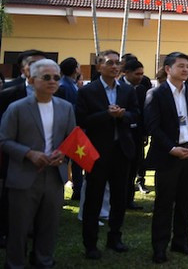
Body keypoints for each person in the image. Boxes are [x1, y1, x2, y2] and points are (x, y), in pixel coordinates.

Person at [0, 59, 75, 269]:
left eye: (56, 77)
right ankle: (15, 263)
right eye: (46, 77)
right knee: (19, 227)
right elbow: (3, 140)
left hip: (54, 176)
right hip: (24, 176)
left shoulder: (66, 107)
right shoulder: (16, 108)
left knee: (49, 225)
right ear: (31, 80)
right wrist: (28, 154)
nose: (52, 81)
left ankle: (44, 260)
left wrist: (63, 154)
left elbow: (72, 139)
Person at [76, 50, 139, 259]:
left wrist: (123, 115)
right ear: (99, 66)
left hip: (121, 151)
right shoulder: (88, 91)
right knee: (94, 199)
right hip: (97, 152)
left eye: (117, 63)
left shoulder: (127, 91)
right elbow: (82, 120)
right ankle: (90, 243)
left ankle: (115, 237)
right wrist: (106, 115)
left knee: (119, 199)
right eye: (110, 63)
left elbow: (136, 115)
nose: (115, 66)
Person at [145, 52, 188, 264]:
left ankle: (181, 241)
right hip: (168, 155)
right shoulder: (156, 94)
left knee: (185, 202)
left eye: (187, 66)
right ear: (168, 69)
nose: (186, 70)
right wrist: (171, 148)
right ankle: (159, 246)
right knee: (164, 203)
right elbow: (153, 126)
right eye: (181, 66)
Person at [119, 59, 147, 210]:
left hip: (137, 134)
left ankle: (129, 199)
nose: (140, 77)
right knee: (122, 169)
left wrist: (144, 133)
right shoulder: (118, 88)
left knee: (134, 166)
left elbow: (143, 112)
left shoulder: (141, 89)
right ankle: (119, 200)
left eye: (142, 74)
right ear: (127, 73)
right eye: (137, 74)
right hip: (122, 133)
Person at [56, 57, 82, 200]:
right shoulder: (64, 86)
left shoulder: (72, 84)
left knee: (78, 161)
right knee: (66, 160)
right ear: (74, 69)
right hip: (68, 129)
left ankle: (77, 189)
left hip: (75, 128)